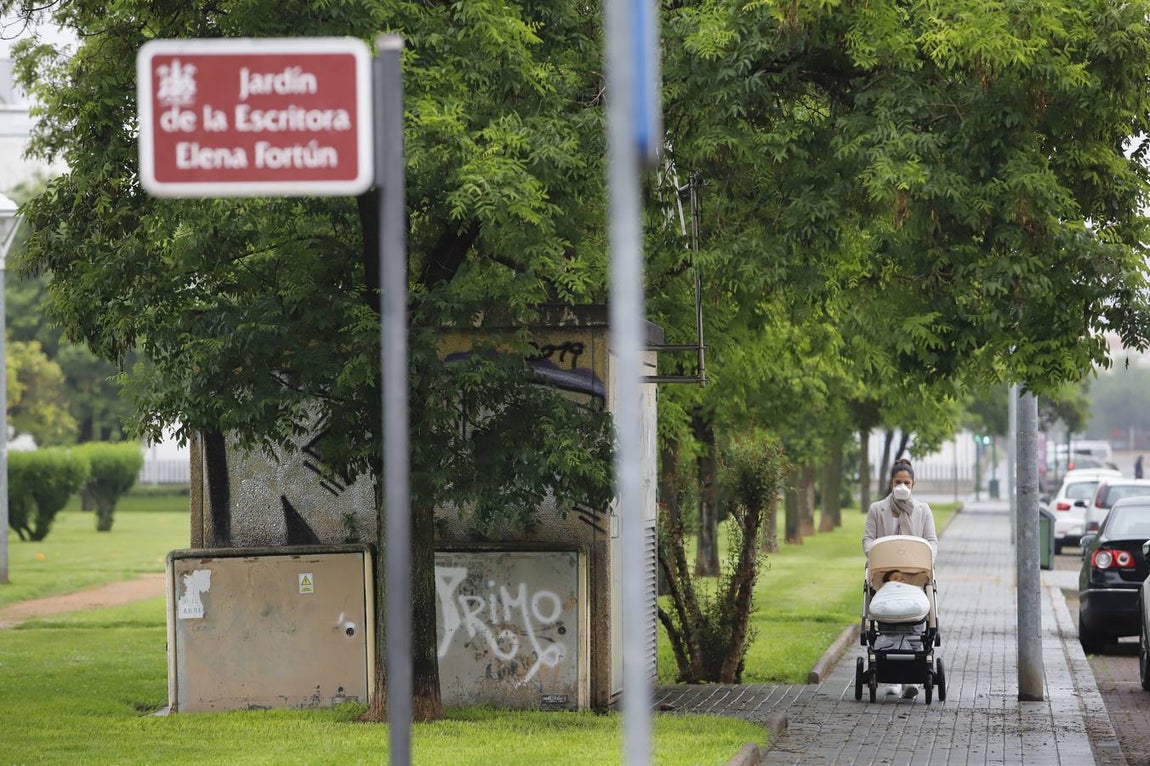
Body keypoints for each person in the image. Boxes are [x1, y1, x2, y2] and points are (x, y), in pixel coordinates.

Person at [863, 457, 939, 699]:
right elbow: (868, 540)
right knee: (890, 618)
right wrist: (879, 558)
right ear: (891, 483)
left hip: (915, 576)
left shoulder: (923, 510)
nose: (902, 486)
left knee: (914, 618)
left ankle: (912, 676)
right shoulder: (878, 509)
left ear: (913, 484)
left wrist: (923, 562)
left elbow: (931, 542)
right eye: (898, 482)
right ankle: (891, 679)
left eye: (906, 482)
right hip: (886, 577)